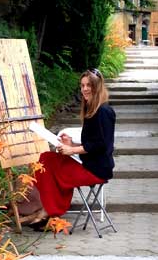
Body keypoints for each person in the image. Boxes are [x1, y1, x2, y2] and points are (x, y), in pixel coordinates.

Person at [20, 68, 116, 227]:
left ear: (97, 87)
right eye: (82, 85)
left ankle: (48, 211)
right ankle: (49, 209)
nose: (84, 89)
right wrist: (70, 145)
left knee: (50, 165)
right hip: (88, 162)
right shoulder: (91, 109)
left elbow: (101, 145)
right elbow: (91, 142)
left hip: (97, 169)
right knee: (46, 158)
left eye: (89, 85)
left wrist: (72, 150)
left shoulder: (104, 111)